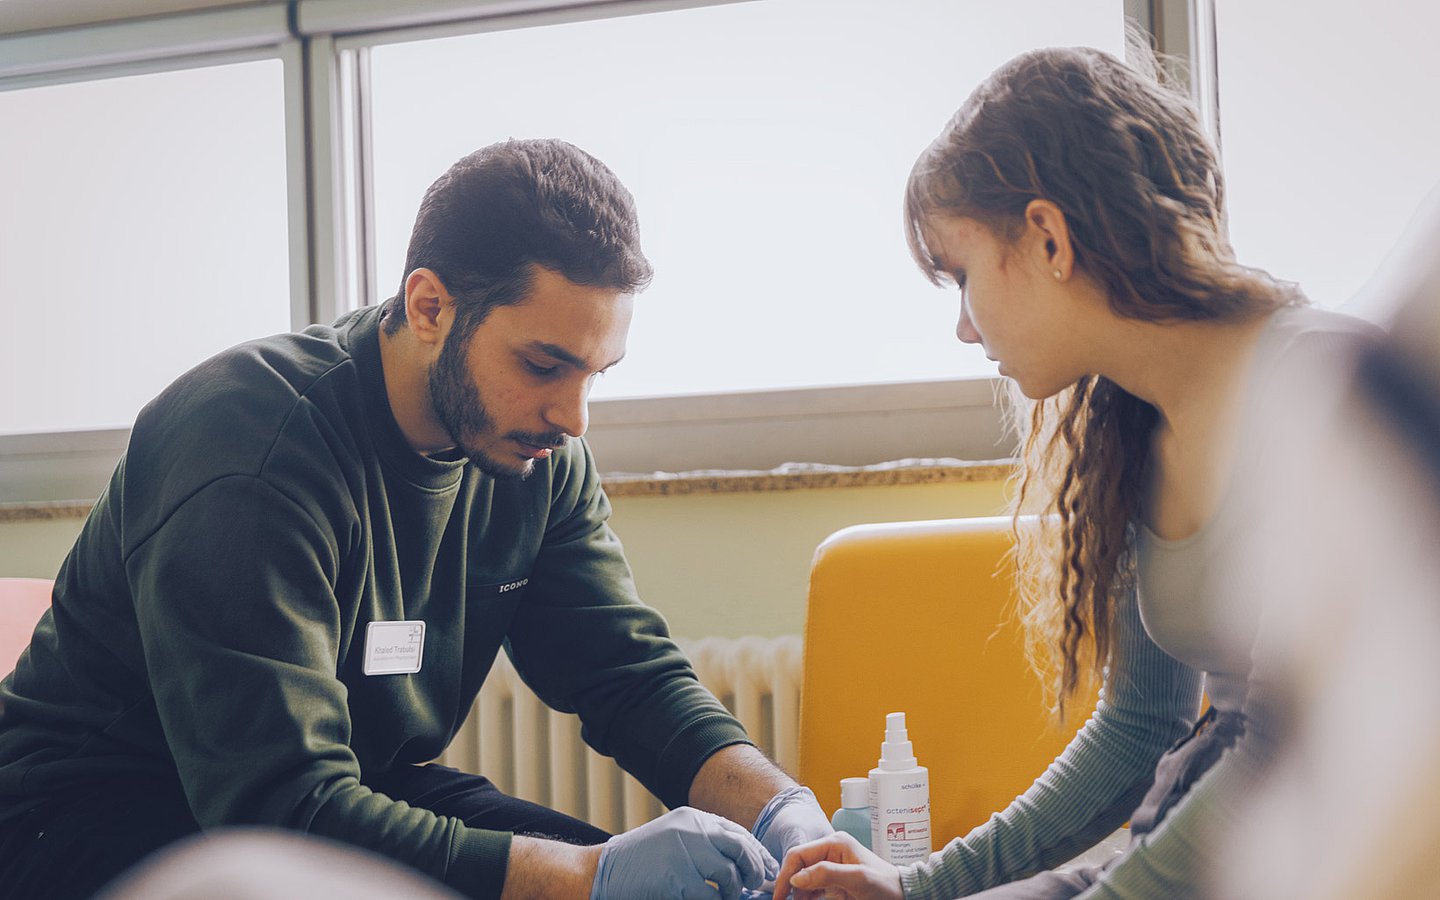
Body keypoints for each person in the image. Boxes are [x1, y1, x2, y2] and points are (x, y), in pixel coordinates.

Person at [0, 138, 830, 900]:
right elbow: (275, 807)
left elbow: (626, 673)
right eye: (543, 364)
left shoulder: (530, 450)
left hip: (348, 791)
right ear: (429, 307)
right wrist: (587, 878)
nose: (574, 416)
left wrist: (787, 818)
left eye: (595, 373)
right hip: (89, 821)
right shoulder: (249, 450)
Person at [771, 46, 1381, 899]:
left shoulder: (1331, 386)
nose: (964, 329)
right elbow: (1138, 732)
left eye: (962, 275)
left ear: (1048, 237)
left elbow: (1289, 746)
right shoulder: (1134, 427)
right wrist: (921, 889)